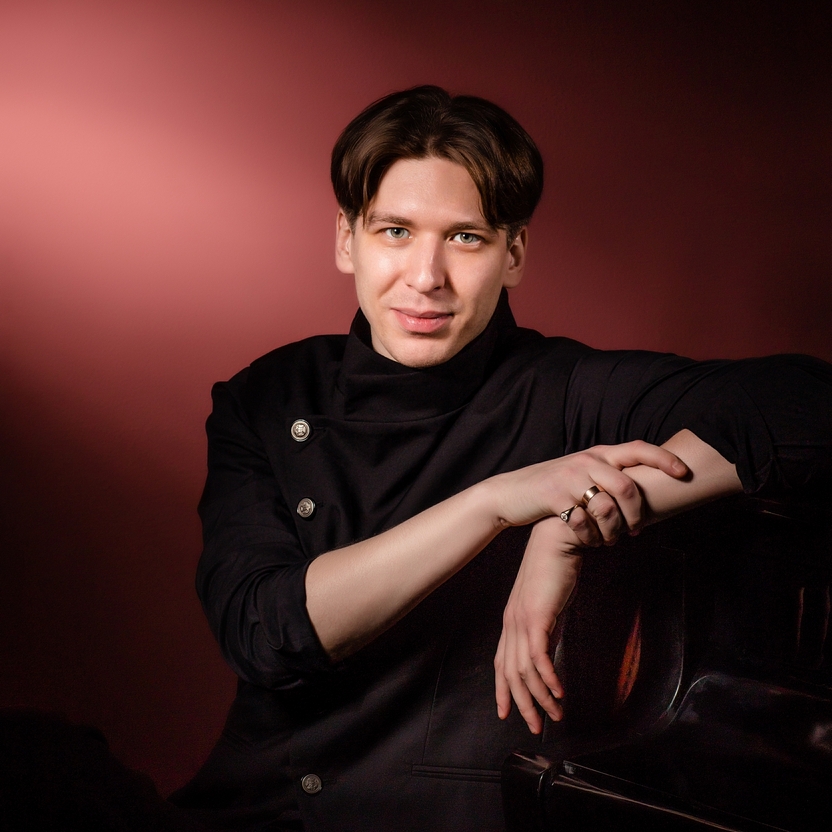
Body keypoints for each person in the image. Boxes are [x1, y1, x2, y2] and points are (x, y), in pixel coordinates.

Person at [169, 86, 832, 832]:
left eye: (466, 238)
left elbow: (807, 406)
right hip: (256, 807)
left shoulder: (568, 391)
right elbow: (265, 633)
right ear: (347, 241)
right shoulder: (266, 396)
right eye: (395, 231)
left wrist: (569, 526)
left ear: (513, 254)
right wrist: (495, 503)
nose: (426, 277)